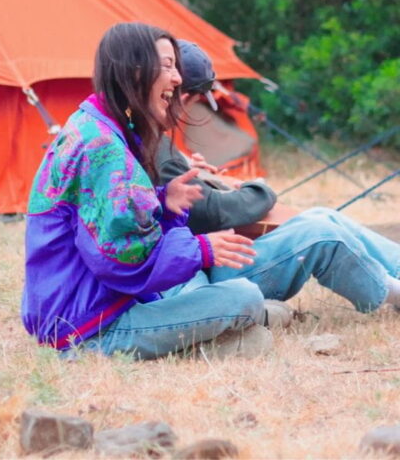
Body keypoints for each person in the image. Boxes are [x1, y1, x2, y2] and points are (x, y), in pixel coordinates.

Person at [21, 22, 268, 360]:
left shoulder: (95, 125)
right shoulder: (104, 148)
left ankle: (226, 333)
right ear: (135, 72)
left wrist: (163, 202)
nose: (178, 79)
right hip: (89, 329)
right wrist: (201, 250)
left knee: (202, 288)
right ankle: (226, 334)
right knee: (244, 295)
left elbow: (107, 223)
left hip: (80, 308)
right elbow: (124, 259)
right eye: (168, 66)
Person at [157, 39, 400, 314]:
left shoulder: (155, 142)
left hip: (208, 259)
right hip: (205, 275)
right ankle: (393, 293)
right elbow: (214, 212)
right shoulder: (157, 150)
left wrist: (194, 170)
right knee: (321, 234)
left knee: (322, 216)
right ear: (182, 97)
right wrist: (258, 190)